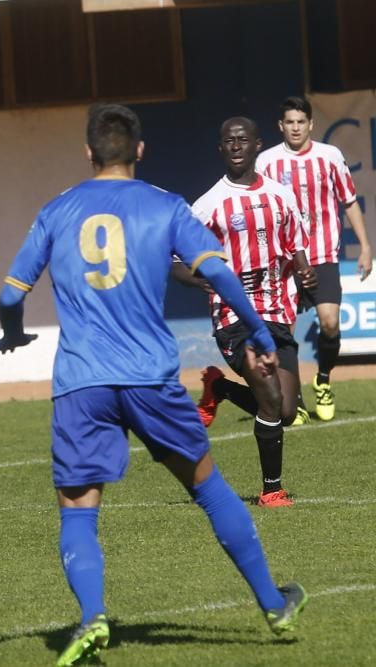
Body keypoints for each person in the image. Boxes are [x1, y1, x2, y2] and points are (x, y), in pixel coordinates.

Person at [0, 105, 307, 666]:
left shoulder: (58, 210)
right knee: (208, 488)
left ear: (88, 154)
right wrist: (257, 329)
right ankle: (273, 604)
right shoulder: (166, 206)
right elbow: (217, 271)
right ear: (139, 150)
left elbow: (12, 295)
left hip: (81, 382)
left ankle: (91, 618)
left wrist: (14, 335)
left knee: (78, 510)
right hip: (149, 376)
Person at [187, 116, 316, 508]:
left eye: (243, 140)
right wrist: (199, 278)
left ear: (259, 145)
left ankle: (220, 388)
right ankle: (271, 490)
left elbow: (295, 246)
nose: (237, 146)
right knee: (269, 392)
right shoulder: (207, 206)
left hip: (277, 312)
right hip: (234, 318)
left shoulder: (282, 196)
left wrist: (305, 270)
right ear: (221, 148)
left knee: (287, 409)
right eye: (229, 141)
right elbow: (176, 261)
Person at [258, 95, 372, 423]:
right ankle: (293, 400)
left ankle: (323, 379)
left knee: (330, 323)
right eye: (289, 122)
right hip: (284, 261)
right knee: (284, 333)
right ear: (281, 126)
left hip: (322, 255)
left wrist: (365, 245)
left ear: (311, 124)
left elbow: (349, 201)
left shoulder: (330, 156)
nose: (295, 128)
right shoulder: (266, 162)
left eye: (300, 122)